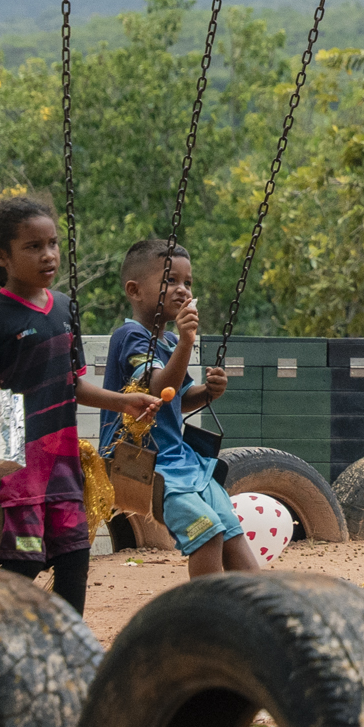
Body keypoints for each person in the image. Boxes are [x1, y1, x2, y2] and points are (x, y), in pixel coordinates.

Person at [0, 194, 154, 612]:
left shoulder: (63, 308)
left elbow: (72, 385)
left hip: (62, 465)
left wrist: (124, 404)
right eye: (34, 246)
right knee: (25, 561)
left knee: (75, 558)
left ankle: (68, 644)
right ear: (0, 256)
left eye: (53, 244)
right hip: (18, 468)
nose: (49, 255)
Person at [99, 234, 259, 579]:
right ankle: (205, 618)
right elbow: (159, 387)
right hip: (141, 461)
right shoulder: (130, 337)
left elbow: (175, 401)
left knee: (230, 531)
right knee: (207, 533)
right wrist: (187, 342)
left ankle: (260, 615)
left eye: (187, 282)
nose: (182, 290)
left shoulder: (170, 341)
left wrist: (207, 393)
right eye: (170, 280)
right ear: (134, 290)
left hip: (180, 460)